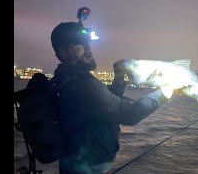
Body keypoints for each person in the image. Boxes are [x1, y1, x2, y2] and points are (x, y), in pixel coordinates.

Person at [50, 22, 179, 174]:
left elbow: (105, 104)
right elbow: (130, 114)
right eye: (79, 44)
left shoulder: (67, 78)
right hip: (85, 167)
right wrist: (165, 92)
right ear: (62, 52)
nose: (88, 49)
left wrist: (118, 77)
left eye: (87, 43)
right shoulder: (81, 84)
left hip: (78, 163)